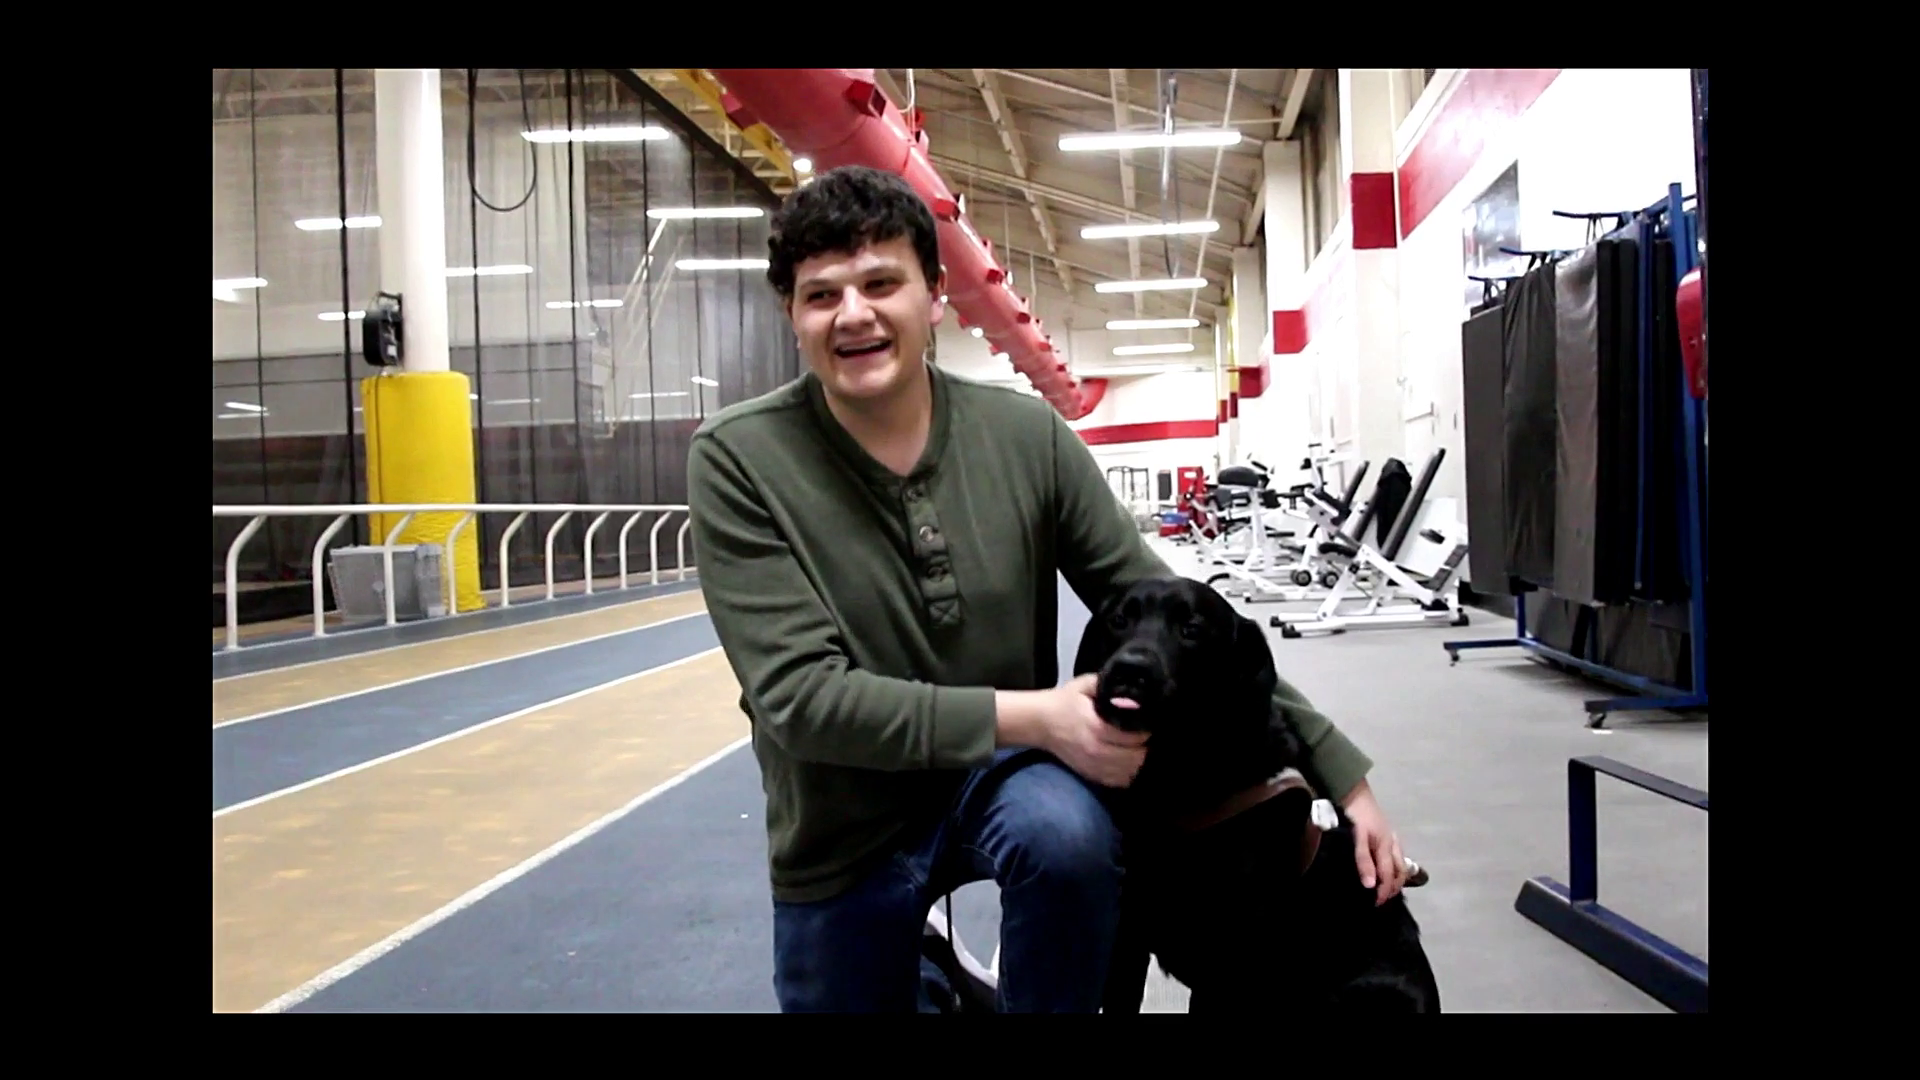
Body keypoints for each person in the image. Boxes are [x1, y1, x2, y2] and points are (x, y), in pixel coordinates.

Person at [685, 165, 1409, 1013]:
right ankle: (927, 974)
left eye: (882, 283)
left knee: (1068, 838)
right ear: (792, 314)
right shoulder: (736, 459)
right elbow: (802, 700)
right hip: (840, 815)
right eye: (821, 295)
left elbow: (1177, 610)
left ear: (936, 296)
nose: (854, 315)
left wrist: (1341, 777)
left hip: (1004, 775)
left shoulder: (1026, 436)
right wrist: (1042, 716)